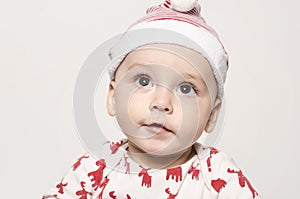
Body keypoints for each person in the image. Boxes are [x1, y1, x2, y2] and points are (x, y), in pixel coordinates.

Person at [43, 0, 261, 198]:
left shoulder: (218, 176)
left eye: (186, 88)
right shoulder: (93, 169)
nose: (161, 103)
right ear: (112, 96)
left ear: (212, 116)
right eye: (144, 81)